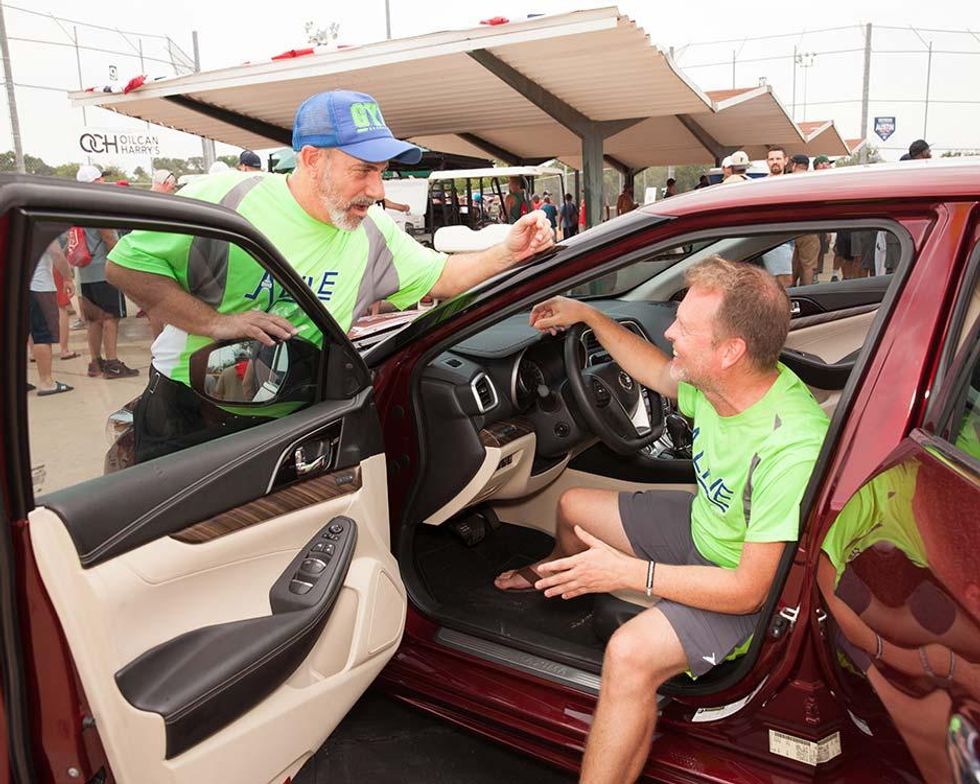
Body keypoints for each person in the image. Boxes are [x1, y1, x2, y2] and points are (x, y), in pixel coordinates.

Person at [495, 258, 828, 783]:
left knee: (628, 655)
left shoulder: (789, 445)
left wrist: (630, 574)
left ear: (730, 351)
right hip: (705, 526)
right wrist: (587, 315)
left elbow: (749, 591)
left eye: (685, 329)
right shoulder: (726, 384)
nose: (670, 332)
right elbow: (652, 370)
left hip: (735, 581)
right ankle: (553, 572)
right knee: (573, 507)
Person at [106, 89, 554, 463]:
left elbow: (442, 276)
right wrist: (214, 322)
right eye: (362, 171)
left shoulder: (373, 231)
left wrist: (506, 252)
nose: (377, 190)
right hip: (189, 411)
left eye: (380, 172)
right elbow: (124, 265)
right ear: (311, 158)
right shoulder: (225, 198)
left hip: (301, 415)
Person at [74, 165, 140, 380]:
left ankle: (96, 362)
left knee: (94, 320)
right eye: (100, 178)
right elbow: (109, 237)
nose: (103, 181)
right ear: (94, 183)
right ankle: (112, 363)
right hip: (104, 270)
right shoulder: (97, 206)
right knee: (111, 318)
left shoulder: (76, 206)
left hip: (85, 272)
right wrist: (124, 261)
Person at [28, 240, 76, 396]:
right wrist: (68, 278)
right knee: (42, 335)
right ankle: (46, 382)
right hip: (39, 287)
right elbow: (56, 253)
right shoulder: (40, 225)